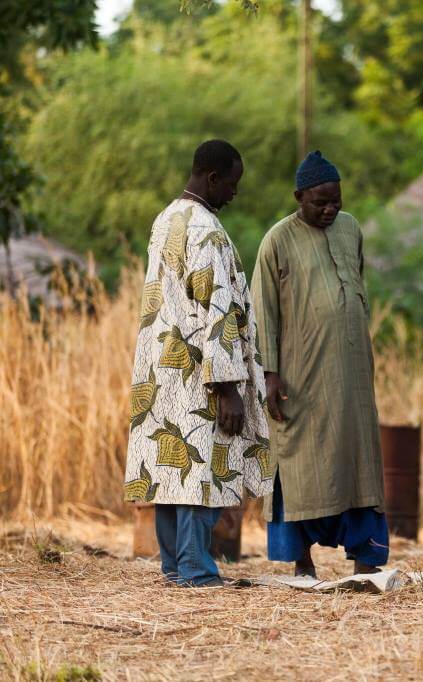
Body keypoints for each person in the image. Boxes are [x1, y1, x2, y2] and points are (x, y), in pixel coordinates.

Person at [123, 139, 273, 587]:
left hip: (161, 366)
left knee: (173, 471)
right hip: (200, 372)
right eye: (232, 183)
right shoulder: (205, 229)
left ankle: (174, 565)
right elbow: (217, 310)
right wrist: (227, 387)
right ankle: (195, 569)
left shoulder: (166, 219)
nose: (234, 192)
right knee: (202, 467)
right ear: (212, 178)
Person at [252, 150, 388, 579]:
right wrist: (270, 375)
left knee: (360, 462)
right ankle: (302, 561)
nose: (330, 209)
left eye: (336, 200)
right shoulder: (278, 240)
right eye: (320, 202)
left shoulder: (350, 229)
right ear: (299, 197)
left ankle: (366, 560)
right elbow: (264, 311)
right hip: (301, 376)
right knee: (300, 463)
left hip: (351, 374)